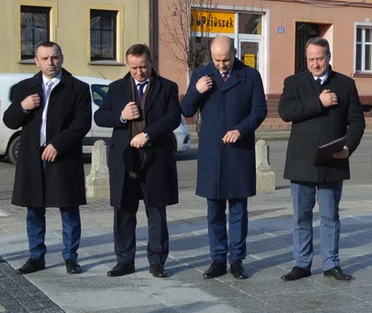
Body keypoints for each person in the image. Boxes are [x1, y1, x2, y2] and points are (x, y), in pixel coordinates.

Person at [278, 37, 364, 282]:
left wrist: (348, 147)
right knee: (301, 217)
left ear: (329, 57)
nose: (316, 63)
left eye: (320, 58)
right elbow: (286, 112)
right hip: (301, 162)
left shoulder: (346, 85)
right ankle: (302, 263)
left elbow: (357, 121)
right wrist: (318, 102)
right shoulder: (293, 83)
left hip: (332, 160)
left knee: (329, 217)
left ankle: (331, 264)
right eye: (311, 59)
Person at [180, 37, 267, 280]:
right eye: (217, 60)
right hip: (212, 153)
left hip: (239, 152)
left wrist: (241, 129)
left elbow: (259, 110)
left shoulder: (250, 75)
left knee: (238, 209)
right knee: (214, 210)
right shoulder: (202, 74)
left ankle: (237, 259)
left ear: (235, 53)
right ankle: (217, 258)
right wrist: (197, 92)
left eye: (226, 59)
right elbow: (186, 110)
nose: (221, 65)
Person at [2, 42, 92, 275]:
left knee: (69, 209)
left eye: (54, 57)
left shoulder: (77, 88)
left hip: (63, 157)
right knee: (34, 209)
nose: (50, 63)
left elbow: (82, 123)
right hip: (32, 158)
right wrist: (23, 106)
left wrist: (58, 144)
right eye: (45, 58)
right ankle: (36, 256)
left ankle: (71, 257)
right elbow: (10, 121)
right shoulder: (25, 87)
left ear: (62, 58)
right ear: (37, 61)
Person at [94, 44, 182, 279]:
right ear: (127, 65)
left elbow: (173, 117)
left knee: (156, 212)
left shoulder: (167, 87)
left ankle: (157, 260)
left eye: (143, 66)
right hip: (125, 160)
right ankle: (124, 260)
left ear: (151, 63)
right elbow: (100, 116)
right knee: (123, 211)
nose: (139, 72)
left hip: (155, 158)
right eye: (133, 68)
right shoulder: (116, 88)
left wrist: (149, 133)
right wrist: (121, 116)